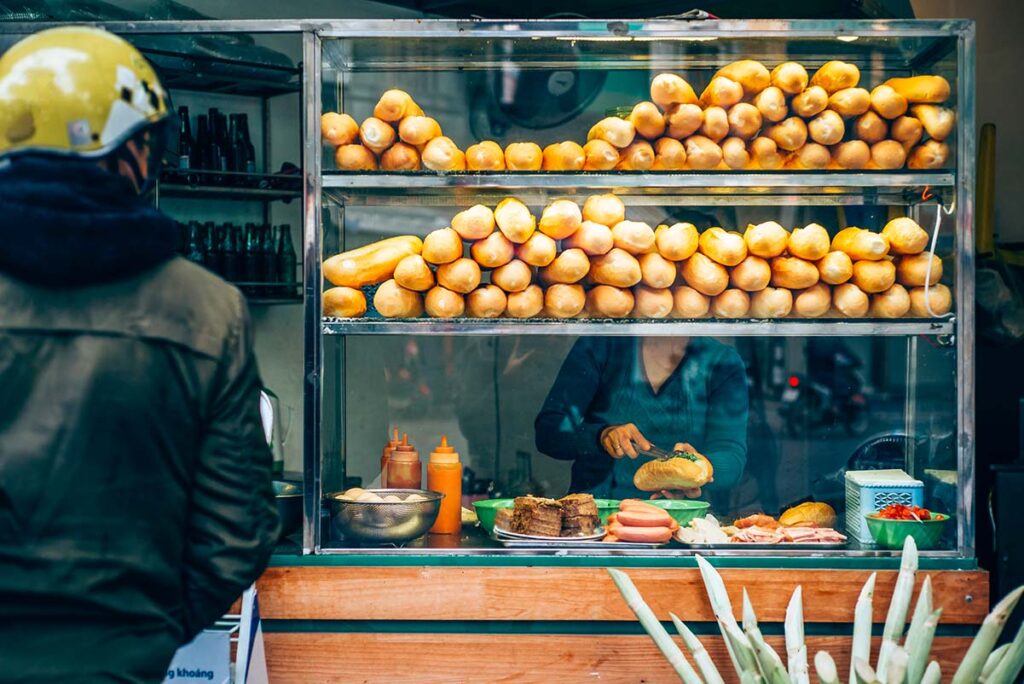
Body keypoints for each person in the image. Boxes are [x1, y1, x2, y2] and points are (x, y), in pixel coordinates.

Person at [0, 27, 279, 683]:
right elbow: (237, 531)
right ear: (131, 149)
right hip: (119, 660)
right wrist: (141, 631)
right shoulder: (204, 307)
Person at [535, 336, 749, 500]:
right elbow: (550, 432)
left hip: (685, 524)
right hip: (597, 518)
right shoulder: (600, 346)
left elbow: (732, 456)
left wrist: (698, 468)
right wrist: (602, 435)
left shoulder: (722, 361)